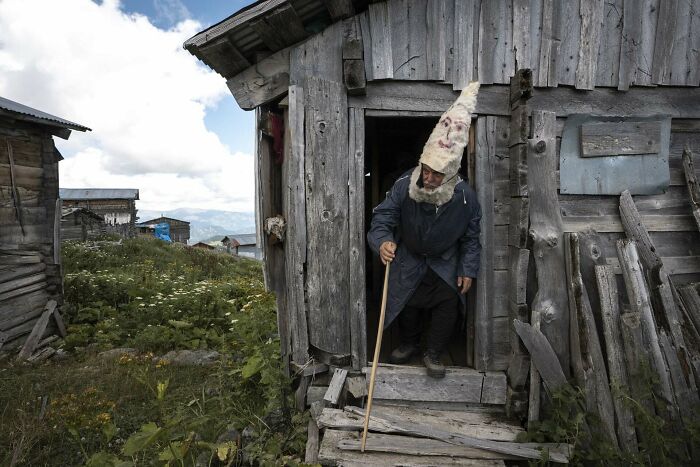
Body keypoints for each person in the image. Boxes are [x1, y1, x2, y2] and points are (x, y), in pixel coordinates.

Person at [367, 82, 482, 379]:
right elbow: (383, 218)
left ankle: (433, 352)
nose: (428, 178)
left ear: (451, 174)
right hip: (410, 255)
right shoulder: (405, 184)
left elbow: (471, 238)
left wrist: (468, 269)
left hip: (445, 260)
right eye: (426, 170)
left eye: (436, 174)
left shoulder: (466, 197)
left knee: (447, 306)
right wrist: (383, 242)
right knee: (407, 302)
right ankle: (409, 343)